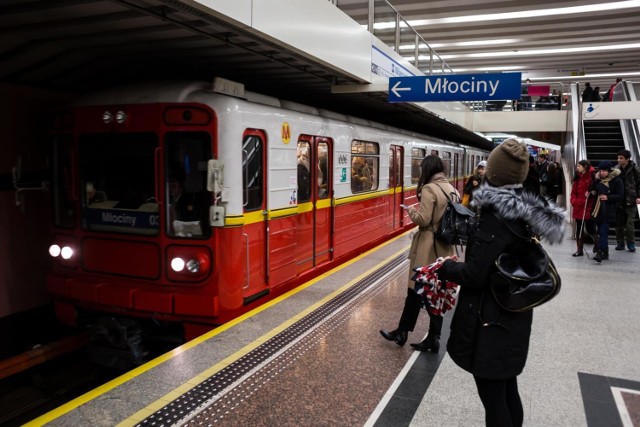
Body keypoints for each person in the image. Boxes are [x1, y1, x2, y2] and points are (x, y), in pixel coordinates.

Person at [435, 139, 565, 427]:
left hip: (491, 321)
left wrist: (447, 267)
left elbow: (475, 274)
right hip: (513, 316)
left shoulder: (496, 217)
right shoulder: (523, 212)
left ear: (492, 174)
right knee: (507, 390)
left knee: (494, 399)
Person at [380, 155, 456, 353]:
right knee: (436, 294)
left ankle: (404, 332)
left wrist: (410, 210)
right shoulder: (452, 189)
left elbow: (423, 219)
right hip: (445, 249)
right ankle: (429, 336)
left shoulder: (430, 189)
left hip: (428, 248)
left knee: (415, 291)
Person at [591, 161, 623, 263]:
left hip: (608, 210)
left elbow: (620, 195)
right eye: (600, 170)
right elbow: (594, 190)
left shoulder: (617, 180)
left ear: (609, 170)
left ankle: (600, 252)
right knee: (598, 231)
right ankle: (604, 251)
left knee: (603, 231)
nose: (602, 173)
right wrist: (591, 191)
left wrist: (607, 197)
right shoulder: (598, 180)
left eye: (604, 171)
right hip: (597, 210)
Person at [614, 149, 640, 252]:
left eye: (621, 158)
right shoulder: (616, 170)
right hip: (619, 201)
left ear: (627, 159)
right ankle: (620, 243)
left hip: (631, 200)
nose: (619, 160)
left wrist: (638, 196)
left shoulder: (635, 169)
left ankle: (631, 243)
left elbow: (639, 184)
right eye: (618, 158)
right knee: (618, 224)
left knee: (630, 224)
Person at [570, 160, 596, 256]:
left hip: (588, 206)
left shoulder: (592, 176)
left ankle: (597, 243)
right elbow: (573, 192)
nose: (577, 167)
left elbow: (595, 190)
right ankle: (579, 249)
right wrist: (574, 201)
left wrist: (591, 195)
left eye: (579, 166)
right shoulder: (578, 176)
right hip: (578, 205)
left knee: (590, 228)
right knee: (579, 228)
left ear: (585, 166)